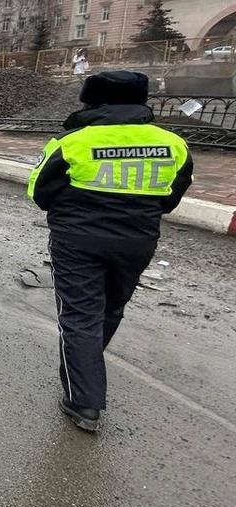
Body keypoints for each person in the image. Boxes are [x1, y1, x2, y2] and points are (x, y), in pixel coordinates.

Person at [27, 71, 193, 432]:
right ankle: (85, 368)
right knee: (111, 308)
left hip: (77, 241)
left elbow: (40, 193)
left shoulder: (72, 142)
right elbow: (173, 195)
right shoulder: (173, 143)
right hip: (138, 239)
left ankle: (83, 400)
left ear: (92, 101)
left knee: (79, 316)